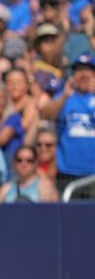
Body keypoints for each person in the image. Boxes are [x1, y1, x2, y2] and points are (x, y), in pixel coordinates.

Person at [41, 54, 95, 194]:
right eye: (79, 70)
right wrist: (64, 95)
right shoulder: (65, 96)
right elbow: (46, 114)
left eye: (88, 70)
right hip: (68, 170)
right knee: (70, 214)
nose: (83, 74)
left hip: (93, 171)